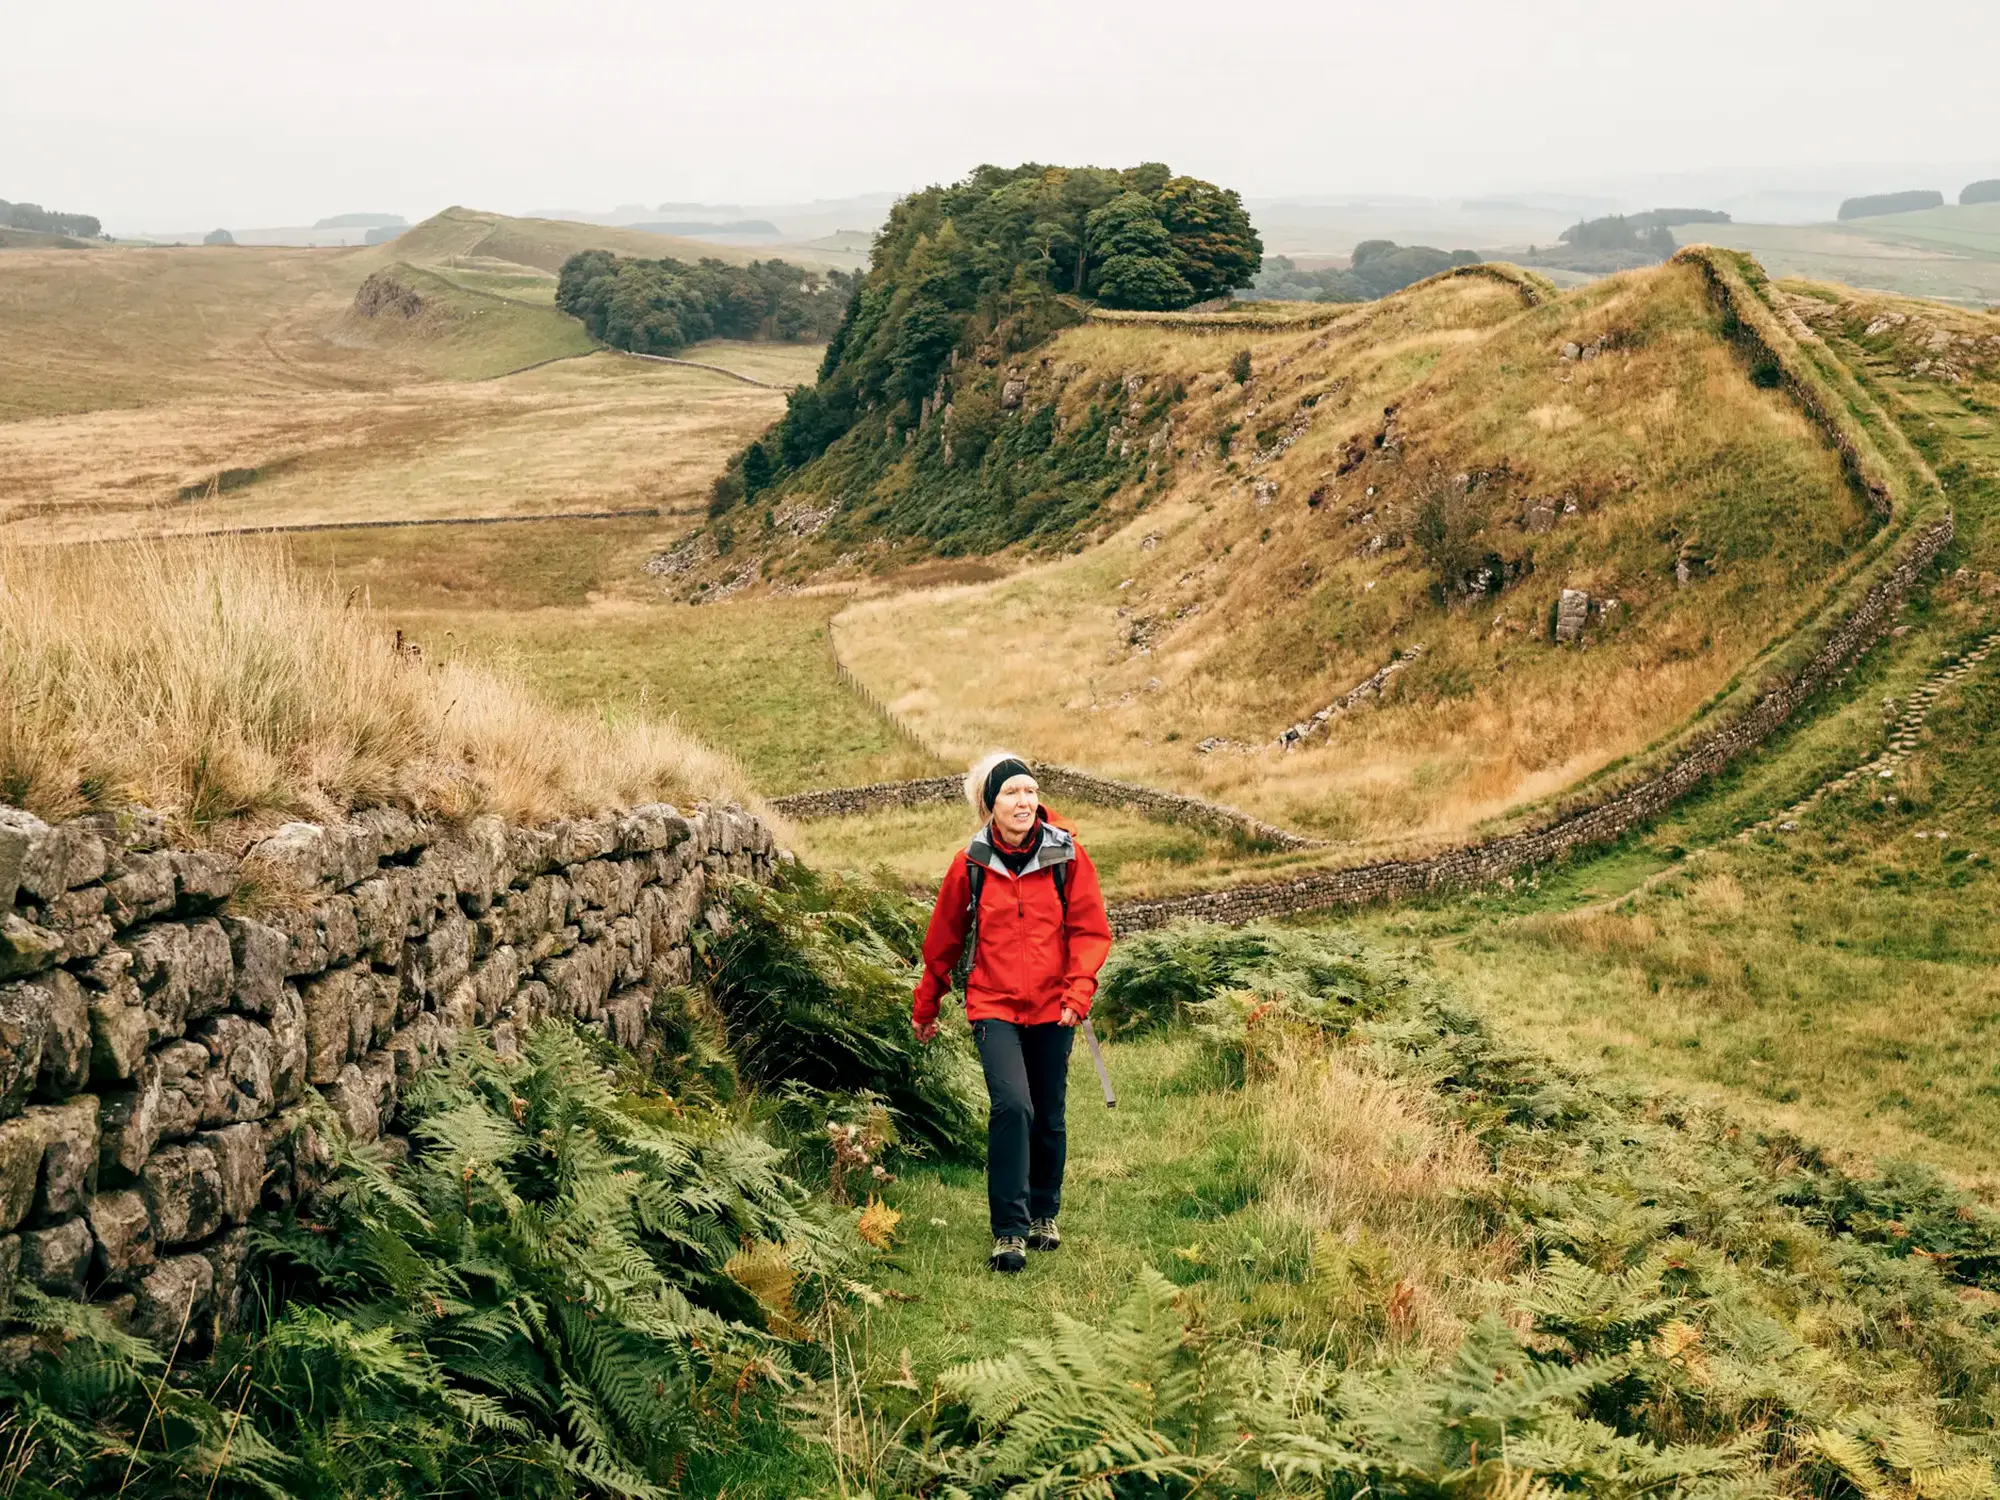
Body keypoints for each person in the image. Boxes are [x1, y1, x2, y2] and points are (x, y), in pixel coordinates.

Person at [912, 753, 1114, 1273]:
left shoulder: (1067, 856)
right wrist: (927, 1004)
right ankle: (1009, 1230)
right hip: (992, 1004)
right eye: (1011, 793)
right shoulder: (970, 864)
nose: (1024, 801)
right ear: (990, 805)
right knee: (1012, 1106)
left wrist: (1078, 992)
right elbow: (944, 941)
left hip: (1056, 1005)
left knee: (1048, 1113)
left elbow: (1090, 931)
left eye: (1030, 790)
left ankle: (1044, 1212)